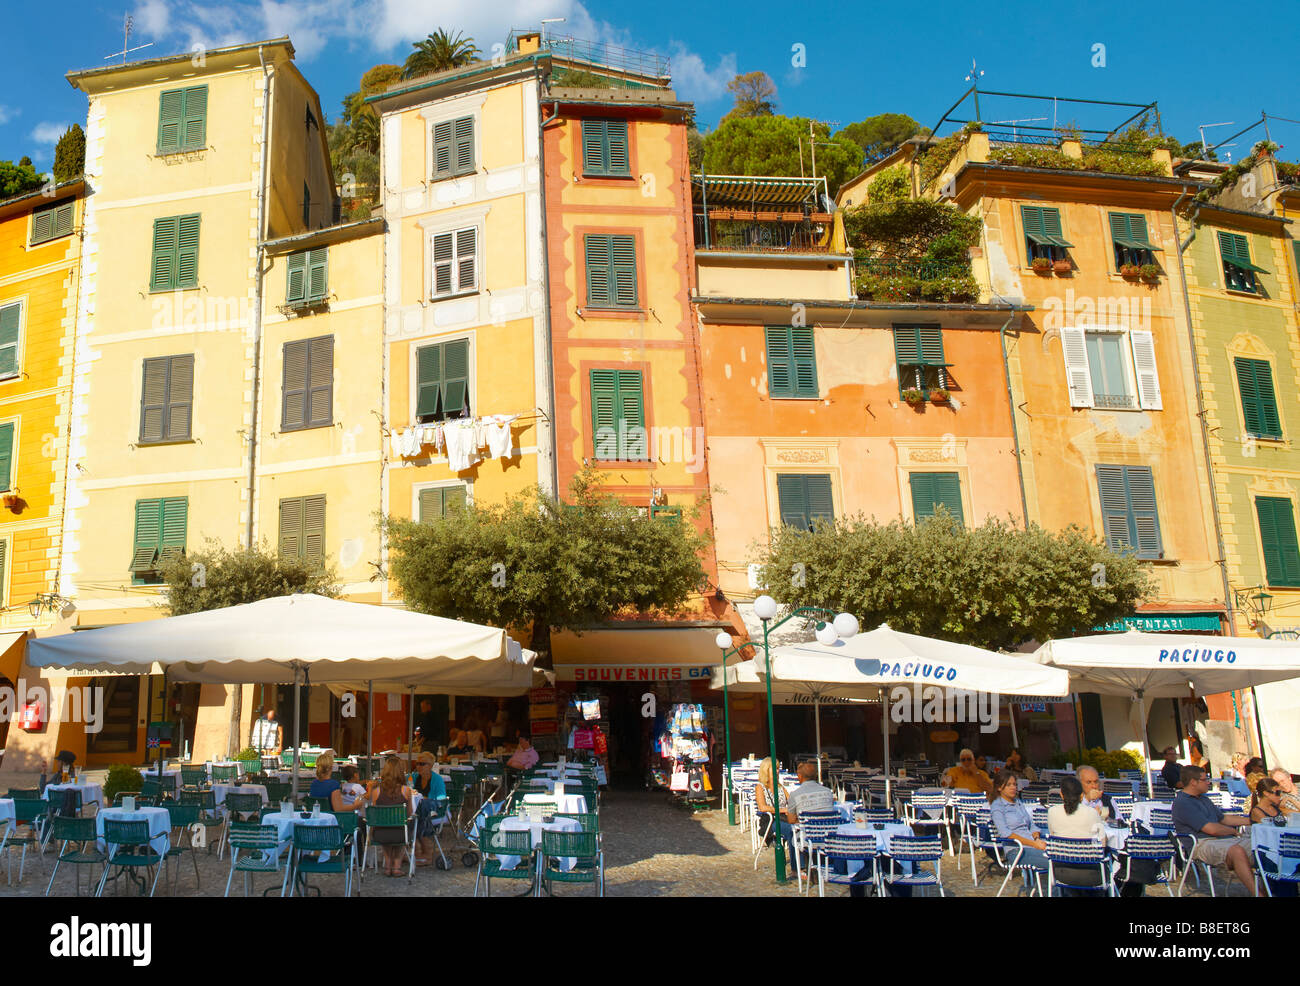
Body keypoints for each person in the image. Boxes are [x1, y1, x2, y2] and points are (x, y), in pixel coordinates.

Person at [1171, 765, 1256, 897]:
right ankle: (1259, 894)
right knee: (1236, 851)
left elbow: (1223, 819)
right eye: (1205, 780)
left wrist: (1253, 821)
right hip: (1201, 844)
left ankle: (1276, 888)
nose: (1208, 782)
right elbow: (1211, 829)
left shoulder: (1203, 798)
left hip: (1222, 841)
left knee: (1261, 847)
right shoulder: (1182, 802)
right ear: (1193, 782)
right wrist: (1232, 832)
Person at [988, 770, 1047, 892]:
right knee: (1055, 861)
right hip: (1016, 851)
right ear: (999, 788)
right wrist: (1034, 844)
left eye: (1014, 784)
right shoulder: (997, 807)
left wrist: (1036, 838)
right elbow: (1006, 834)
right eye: (1009, 785)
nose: (1013, 787)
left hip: (1032, 845)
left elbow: (1031, 825)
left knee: (1062, 856)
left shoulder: (1018, 802)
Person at [366, 756, 414, 877]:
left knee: (385, 828)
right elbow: (409, 813)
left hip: (381, 834)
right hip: (401, 834)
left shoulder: (376, 791)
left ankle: (388, 865)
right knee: (405, 827)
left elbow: (375, 815)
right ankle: (396, 866)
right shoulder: (406, 790)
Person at [755, 757, 796, 877]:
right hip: (771, 820)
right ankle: (796, 868)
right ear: (766, 770)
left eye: (778, 768)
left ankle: (805, 862)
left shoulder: (781, 787)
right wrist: (782, 810)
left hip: (784, 817)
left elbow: (791, 801)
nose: (777, 771)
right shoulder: (760, 787)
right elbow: (762, 807)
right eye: (775, 768)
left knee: (800, 829)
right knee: (791, 831)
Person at [409, 751, 448, 865]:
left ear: (430, 766)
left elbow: (441, 798)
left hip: (435, 809)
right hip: (416, 809)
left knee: (421, 813)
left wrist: (424, 798)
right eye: (417, 764)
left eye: (422, 764)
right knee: (413, 816)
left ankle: (423, 850)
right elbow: (405, 787)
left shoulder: (437, 779)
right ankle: (418, 850)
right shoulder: (413, 777)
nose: (418, 767)